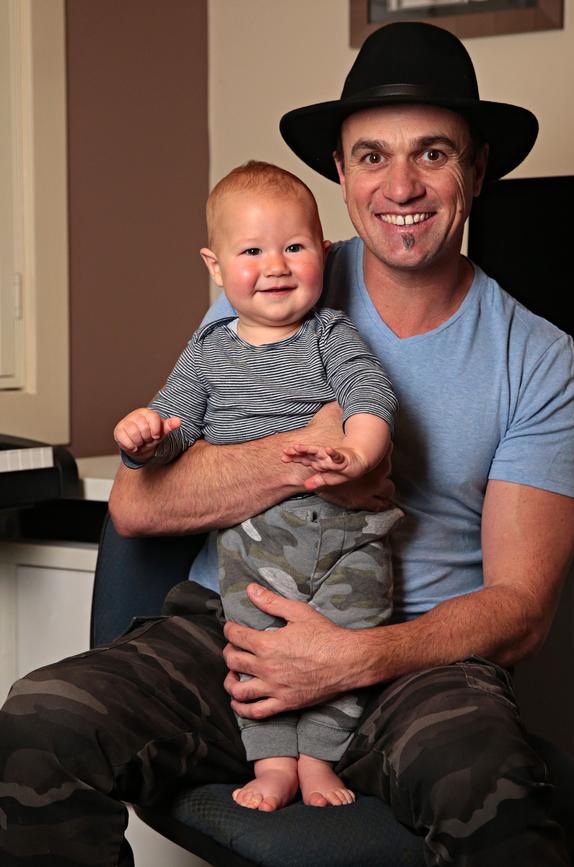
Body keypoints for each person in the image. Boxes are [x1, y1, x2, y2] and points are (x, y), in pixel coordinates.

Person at [0, 22, 574, 867]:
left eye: (433, 153)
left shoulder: (534, 355)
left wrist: (350, 657)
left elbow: (521, 608)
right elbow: (138, 503)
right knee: (38, 721)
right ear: (341, 174)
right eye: (373, 156)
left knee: (491, 789)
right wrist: (299, 449)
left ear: (478, 168)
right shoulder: (276, 281)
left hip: (412, 658)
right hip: (229, 635)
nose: (402, 184)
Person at [113, 159, 402, 811]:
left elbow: (370, 394)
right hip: (255, 546)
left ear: (323, 255)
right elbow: (175, 427)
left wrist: (357, 453)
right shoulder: (209, 352)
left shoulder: (332, 334)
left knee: (349, 635)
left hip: (351, 538)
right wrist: (145, 437)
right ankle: (273, 761)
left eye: (294, 247)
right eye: (252, 251)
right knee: (255, 653)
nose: (275, 265)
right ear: (215, 267)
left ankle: (320, 758)